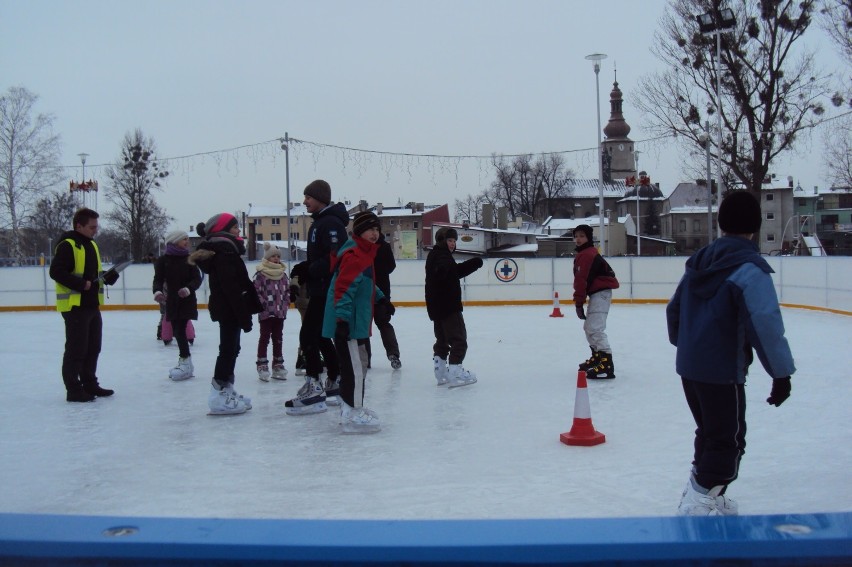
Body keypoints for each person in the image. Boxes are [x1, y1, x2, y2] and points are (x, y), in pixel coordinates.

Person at [667, 191, 795, 516]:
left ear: (721, 223)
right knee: (729, 441)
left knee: (710, 433)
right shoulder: (749, 269)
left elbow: (674, 310)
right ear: (753, 226)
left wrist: (690, 346)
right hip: (722, 371)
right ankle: (698, 502)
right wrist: (781, 375)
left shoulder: (700, 262)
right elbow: (765, 324)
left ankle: (706, 492)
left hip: (690, 368)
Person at [284, 180, 349, 415]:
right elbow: (324, 257)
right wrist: (306, 266)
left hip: (326, 288)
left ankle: (314, 385)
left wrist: (310, 269)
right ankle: (334, 379)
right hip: (320, 287)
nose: (304, 202)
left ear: (321, 198)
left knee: (308, 335)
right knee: (321, 336)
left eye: (308, 197)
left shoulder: (330, 223)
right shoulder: (321, 222)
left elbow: (335, 256)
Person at [190, 213, 261, 415]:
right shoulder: (224, 254)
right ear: (223, 230)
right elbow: (232, 288)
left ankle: (226, 389)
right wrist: (243, 315)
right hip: (229, 309)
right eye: (234, 227)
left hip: (228, 308)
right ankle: (218, 393)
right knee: (228, 349)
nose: (238, 231)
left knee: (232, 348)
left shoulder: (226, 251)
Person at [323, 211, 385, 433]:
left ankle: (352, 406)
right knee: (354, 369)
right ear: (359, 231)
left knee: (360, 363)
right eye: (370, 229)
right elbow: (343, 290)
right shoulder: (355, 255)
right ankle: (352, 411)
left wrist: (381, 298)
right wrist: (342, 322)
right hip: (348, 321)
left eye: (377, 229)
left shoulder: (363, 253)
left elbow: (364, 283)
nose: (375, 233)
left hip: (355, 320)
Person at [49, 207, 118, 402]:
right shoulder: (68, 245)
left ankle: (90, 384)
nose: (95, 230)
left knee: (93, 347)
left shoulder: (91, 245)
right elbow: (56, 272)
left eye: (96, 227)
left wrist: (107, 276)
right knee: (76, 349)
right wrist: (80, 284)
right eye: (91, 227)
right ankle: (74, 389)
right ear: (79, 226)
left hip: (91, 305)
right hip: (75, 306)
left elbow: (92, 275)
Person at [425, 227, 483, 388]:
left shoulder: (435, 255)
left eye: (454, 241)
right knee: (459, 339)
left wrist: (472, 264)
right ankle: (456, 372)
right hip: (448, 305)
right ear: (441, 241)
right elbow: (448, 272)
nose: (452, 244)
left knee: (442, 339)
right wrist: (474, 263)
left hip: (436, 306)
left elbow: (452, 272)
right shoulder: (442, 256)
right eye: (449, 240)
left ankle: (441, 371)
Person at [571, 224, 620, 379]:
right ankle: (598, 358)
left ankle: (606, 364)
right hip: (597, 293)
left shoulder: (587, 254)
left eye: (582, 236)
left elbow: (581, 280)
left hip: (601, 293)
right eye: (576, 236)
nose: (578, 239)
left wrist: (578, 303)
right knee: (589, 328)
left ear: (588, 238)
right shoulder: (585, 253)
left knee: (595, 328)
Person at [153, 229, 202, 381]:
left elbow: (197, 278)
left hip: (186, 299)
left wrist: (188, 289)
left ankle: (185, 361)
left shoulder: (189, 259)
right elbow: (158, 279)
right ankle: (185, 361)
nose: (187, 242)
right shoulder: (163, 260)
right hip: (172, 300)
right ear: (174, 241)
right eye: (184, 239)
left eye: (187, 239)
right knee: (177, 330)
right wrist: (157, 292)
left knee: (181, 329)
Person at [253, 242, 290, 381]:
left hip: (280, 312)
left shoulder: (283, 275)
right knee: (264, 338)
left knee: (278, 338)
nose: (276, 258)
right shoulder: (261, 274)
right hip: (266, 313)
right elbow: (255, 292)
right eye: (273, 256)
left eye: (278, 256)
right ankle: (262, 364)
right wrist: (263, 305)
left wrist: (285, 303)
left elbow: (287, 291)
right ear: (267, 258)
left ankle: (278, 364)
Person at [366, 231, 401, 370]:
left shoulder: (364, 247)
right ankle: (393, 354)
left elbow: (391, 266)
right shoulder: (384, 246)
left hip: (369, 292)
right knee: (384, 324)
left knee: (364, 327)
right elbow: (391, 266)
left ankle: (365, 359)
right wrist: (382, 273)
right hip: (381, 291)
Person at [288, 260, 310, 376]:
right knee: (308, 331)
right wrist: (293, 289)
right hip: (305, 303)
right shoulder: (302, 267)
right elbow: (295, 280)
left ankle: (309, 357)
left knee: (314, 332)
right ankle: (303, 358)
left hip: (309, 302)